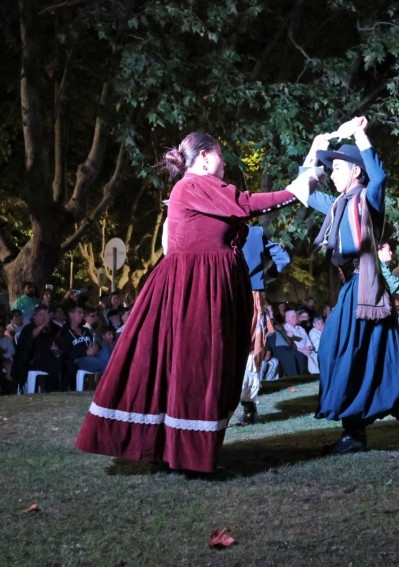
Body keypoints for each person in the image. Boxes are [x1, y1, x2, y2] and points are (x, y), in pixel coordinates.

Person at [76, 130, 314, 474]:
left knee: (208, 368)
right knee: (196, 367)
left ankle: (184, 450)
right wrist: (295, 192)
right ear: (203, 157)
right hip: (194, 289)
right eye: (220, 155)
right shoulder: (191, 185)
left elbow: (240, 225)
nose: (224, 162)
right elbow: (245, 203)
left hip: (208, 287)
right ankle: (184, 454)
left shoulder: (204, 192)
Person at [304, 116, 399, 456]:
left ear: (356, 172)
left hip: (367, 291)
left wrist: (360, 135)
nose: (331, 173)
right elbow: (303, 190)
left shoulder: (369, 199)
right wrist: (314, 152)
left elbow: (380, 175)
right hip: (352, 291)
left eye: (337, 168)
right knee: (345, 355)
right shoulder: (336, 205)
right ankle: (357, 433)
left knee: (361, 356)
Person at [238, 224, 290, 424]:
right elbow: (283, 259)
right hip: (253, 295)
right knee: (252, 349)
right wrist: (264, 279)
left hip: (223, 294)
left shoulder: (217, 227)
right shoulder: (256, 232)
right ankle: (249, 408)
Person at [12, 304, 61, 393]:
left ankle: (54, 390)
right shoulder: (28, 328)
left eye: (46, 315)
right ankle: (52, 391)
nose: (44, 317)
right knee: (53, 364)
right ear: (34, 316)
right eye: (41, 314)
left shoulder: (46, 330)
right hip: (29, 361)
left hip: (44, 359)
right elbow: (31, 337)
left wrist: (54, 347)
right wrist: (44, 323)